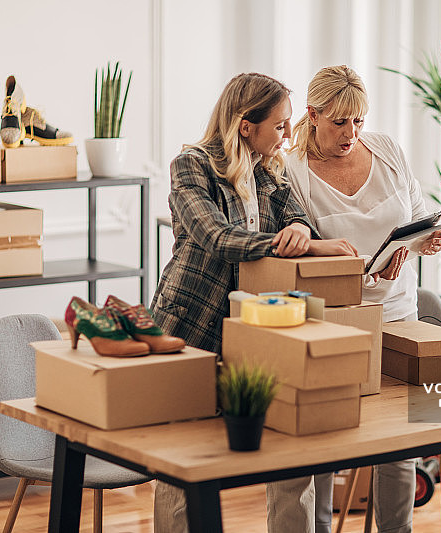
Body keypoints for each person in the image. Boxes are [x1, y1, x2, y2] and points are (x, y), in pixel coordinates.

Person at [150, 72, 357, 533]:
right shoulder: (191, 166)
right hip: (191, 326)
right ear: (246, 126)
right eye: (280, 125)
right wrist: (301, 245)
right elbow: (215, 237)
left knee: (291, 451)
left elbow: (297, 217)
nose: (289, 134)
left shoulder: (269, 169)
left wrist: (300, 231)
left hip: (258, 330)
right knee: (184, 459)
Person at [282, 65, 441, 533]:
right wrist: (361, 272)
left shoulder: (387, 149)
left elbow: (418, 215)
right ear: (313, 114)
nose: (351, 133)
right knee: (323, 441)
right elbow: (302, 255)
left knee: (398, 441)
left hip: (398, 312)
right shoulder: (292, 171)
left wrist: (425, 241)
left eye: (358, 120)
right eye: (339, 122)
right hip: (333, 320)